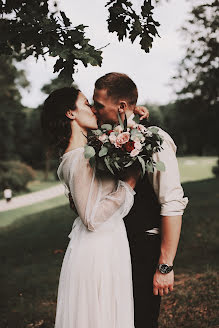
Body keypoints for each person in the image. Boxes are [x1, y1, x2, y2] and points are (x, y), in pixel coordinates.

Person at [90, 72, 188, 327]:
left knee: (141, 319)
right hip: (107, 247)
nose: (95, 111)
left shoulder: (157, 141)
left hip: (142, 249)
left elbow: (172, 203)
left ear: (121, 106)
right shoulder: (99, 141)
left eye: (99, 105)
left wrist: (164, 266)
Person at [41, 87, 140, 328]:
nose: (93, 109)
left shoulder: (85, 153)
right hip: (98, 250)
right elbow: (92, 218)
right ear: (70, 113)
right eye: (86, 104)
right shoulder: (78, 159)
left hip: (107, 243)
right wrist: (128, 184)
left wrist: (133, 117)